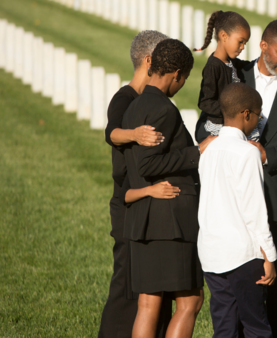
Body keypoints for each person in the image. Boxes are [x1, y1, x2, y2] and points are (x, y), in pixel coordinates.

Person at [198, 20, 277, 338]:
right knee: (236, 292)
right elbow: (208, 120)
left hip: (276, 195)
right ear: (263, 46)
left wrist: (268, 155)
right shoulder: (232, 73)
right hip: (232, 199)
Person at [121, 38, 207, 338]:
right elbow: (148, 165)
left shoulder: (134, 106)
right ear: (177, 75)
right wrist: (197, 152)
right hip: (169, 221)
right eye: (184, 79)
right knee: (190, 301)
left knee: (149, 303)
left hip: (145, 218)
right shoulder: (163, 109)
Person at [100, 30, 174, 338]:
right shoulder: (126, 97)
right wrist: (136, 133)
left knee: (154, 288)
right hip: (128, 202)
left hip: (150, 200)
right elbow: (112, 133)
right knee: (128, 286)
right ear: (148, 61)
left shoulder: (151, 101)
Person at [198, 82, 277, 338]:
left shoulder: (208, 149)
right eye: (258, 115)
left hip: (211, 252)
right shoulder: (247, 153)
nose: (258, 120)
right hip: (243, 254)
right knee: (256, 326)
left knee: (225, 327)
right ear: (246, 114)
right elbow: (254, 210)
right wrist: (270, 257)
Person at [194, 10, 277, 143]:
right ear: (224, 36)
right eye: (240, 41)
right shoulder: (213, 66)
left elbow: (253, 66)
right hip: (222, 125)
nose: (243, 47)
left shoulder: (232, 63)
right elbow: (205, 101)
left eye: (245, 43)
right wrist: (231, 113)